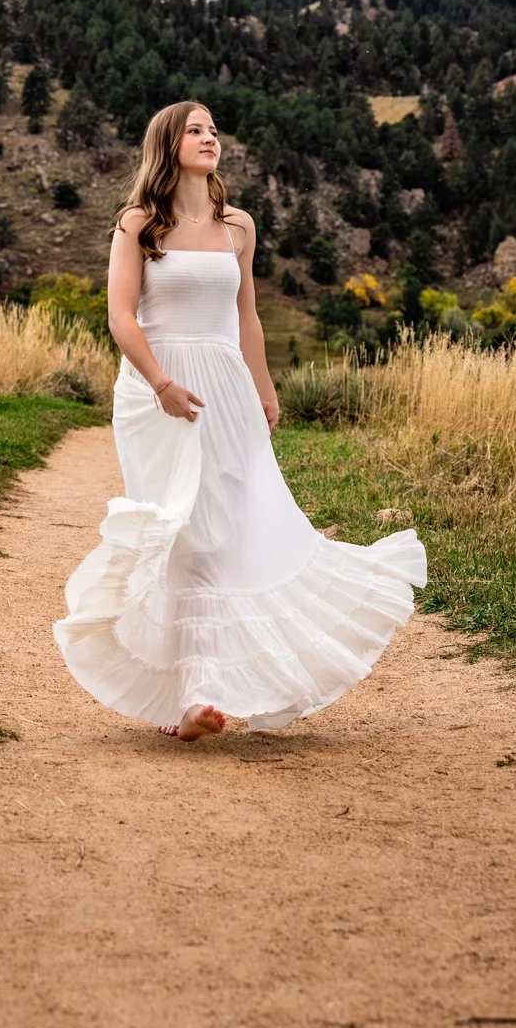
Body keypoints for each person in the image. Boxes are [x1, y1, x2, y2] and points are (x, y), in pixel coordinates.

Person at [53, 99, 427, 739]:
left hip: (225, 386)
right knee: (183, 533)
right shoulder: (138, 222)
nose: (210, 139)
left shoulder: (239, 227)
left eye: (214, 131)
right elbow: (122, 318)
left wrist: (265, 386)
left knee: (230, 531)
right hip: (157, 392)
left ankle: (204, 694)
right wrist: (163, 383)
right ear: (167, 143)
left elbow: (246, 316)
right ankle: (190, 695)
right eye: (195, 130)